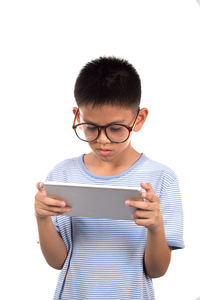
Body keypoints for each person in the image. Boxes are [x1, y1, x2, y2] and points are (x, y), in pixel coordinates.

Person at [35, 56, 184, 300]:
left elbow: (156, 271)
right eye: (91, 127)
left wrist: (156, 227)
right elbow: (58, 261)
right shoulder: (63, 174)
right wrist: (42, 218)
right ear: (77, 116)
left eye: (115, 128)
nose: (103, 139)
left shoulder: (161, 178)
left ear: (139, 119)